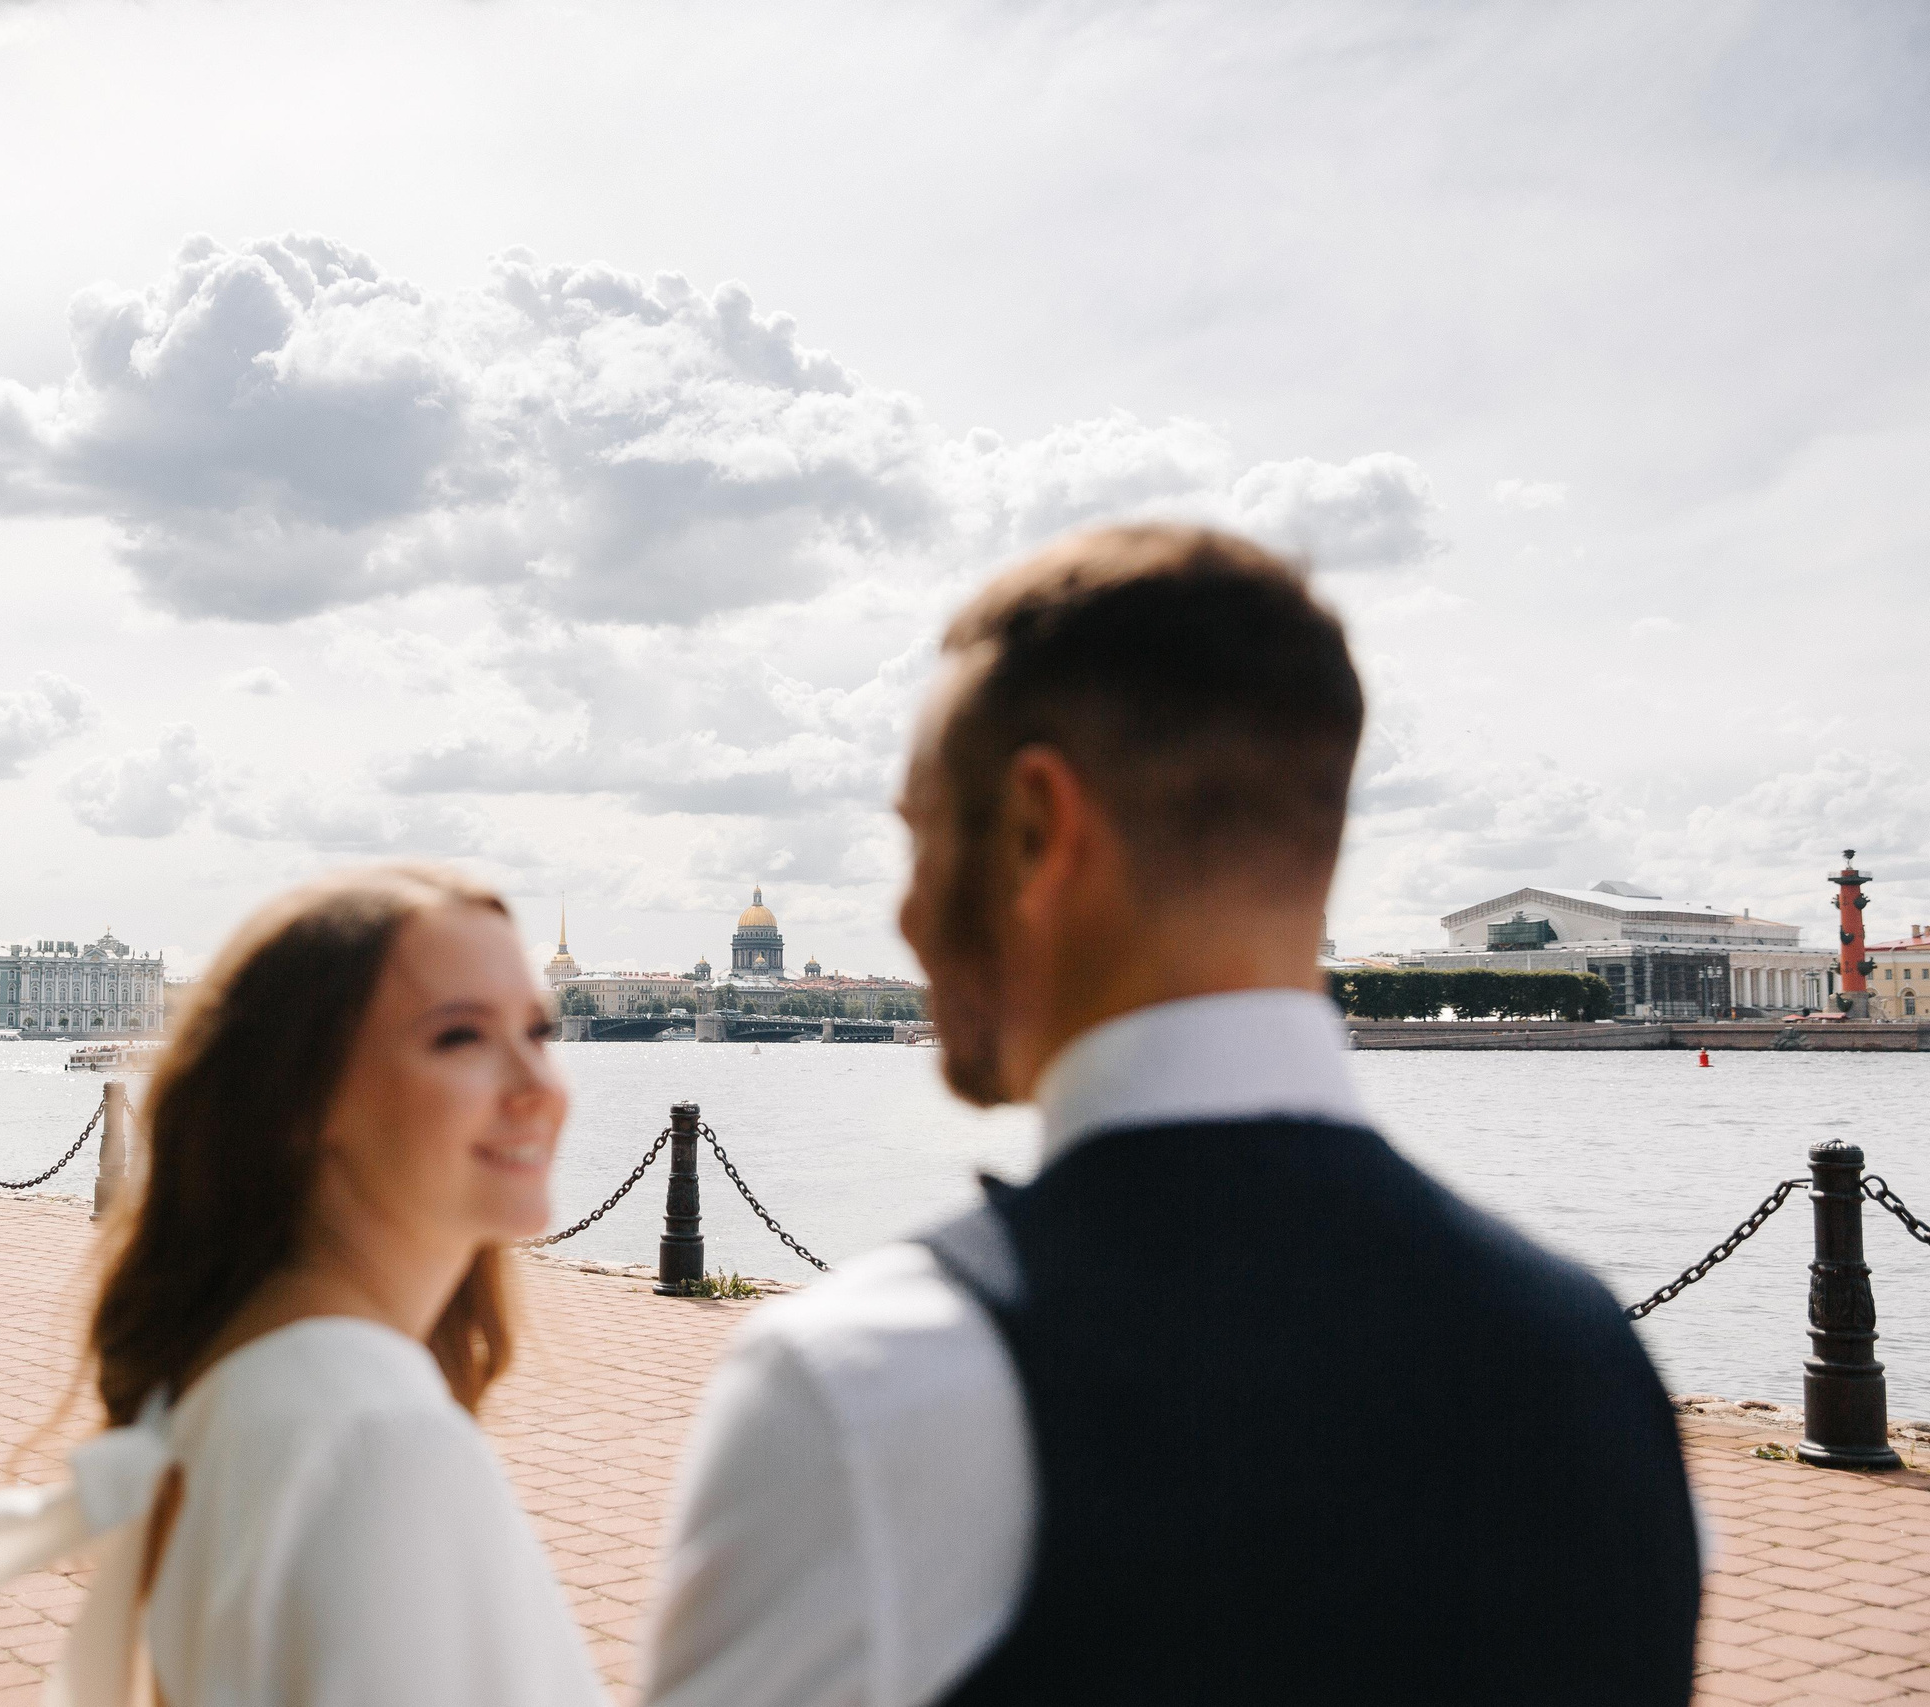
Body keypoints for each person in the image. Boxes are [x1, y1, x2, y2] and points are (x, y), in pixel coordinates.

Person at [642, 525, 1701, 1707]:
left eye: (923, 833)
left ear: (1040, 831)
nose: (903, 913)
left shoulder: (857, 1393)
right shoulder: (1598, 1367)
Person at [0, 864, 606, 1707]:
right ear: (300, 1100)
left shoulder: (244, 1385)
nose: (538, 1084)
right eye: (460, 1036)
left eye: (540, 1030)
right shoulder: (377, 1439)